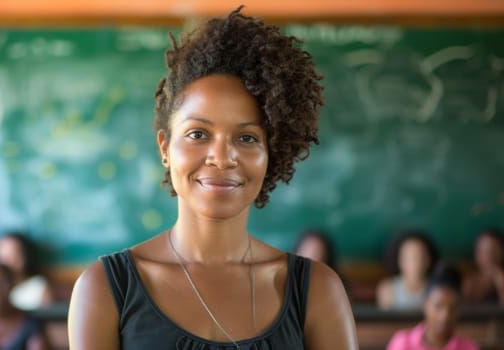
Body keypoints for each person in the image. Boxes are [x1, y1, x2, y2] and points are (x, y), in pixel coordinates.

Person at [68, 6, 358, 350]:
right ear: (165, 146)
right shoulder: (104, 289)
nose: (222, 157)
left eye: (247, 138)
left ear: (272, 153)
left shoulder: (316, 291)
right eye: (198, 134)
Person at [386, 261, 479, 350]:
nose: (445, 315)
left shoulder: (468, 347)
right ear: (425, 305)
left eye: (453, 308)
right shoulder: (403, 343)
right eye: (438, 306)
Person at [377, 229, 439, 310]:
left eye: (421, 257)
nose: (416, 262)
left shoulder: (437, 289)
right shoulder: (387, 289)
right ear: (400, 260)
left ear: (429, 260)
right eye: (410, 257)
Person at [0, 232, 54, 310]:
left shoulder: (38, 287)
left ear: (25, 257)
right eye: (4, 258)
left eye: (15, 255)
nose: (8, 263)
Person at [462, 227, 504, 305]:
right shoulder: (470, 282)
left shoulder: (501, 277)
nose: (489, 255)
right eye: (483, 250)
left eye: (493, 250)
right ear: (476, 254)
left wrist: (500, 280)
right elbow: (464, 311)